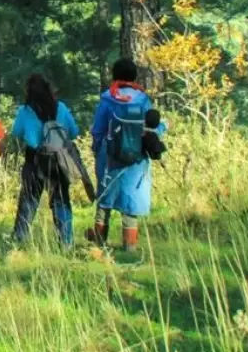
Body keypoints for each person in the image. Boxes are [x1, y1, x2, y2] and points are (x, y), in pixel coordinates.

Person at [87, 58, 166, 252]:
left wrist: (98, 150)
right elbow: (154, 127)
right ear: (134, 76)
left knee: (105, 201)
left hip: (110, 157)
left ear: (115, 75)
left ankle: (99, 244)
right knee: (131, 203)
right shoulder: (142, 99)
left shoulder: (107, 98)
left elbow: (98, 129)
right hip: (137, 158)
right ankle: (129, 247)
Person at [11, 74, 80, 246]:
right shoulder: (61, 108)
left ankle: (19, 239)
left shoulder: (25, 111)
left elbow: (16, 132)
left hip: (34, 159)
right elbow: (74, 131)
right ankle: (66, 241)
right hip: (58, 160)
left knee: (28, 200)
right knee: (61, 200)